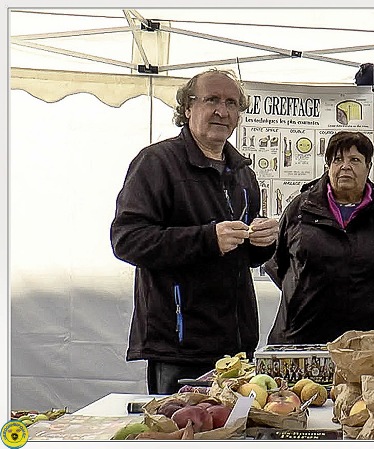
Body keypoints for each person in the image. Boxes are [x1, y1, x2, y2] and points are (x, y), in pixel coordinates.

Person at [111, 69, 279, 394]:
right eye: (212, 100)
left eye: (232, 103)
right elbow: (127, 239)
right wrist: (207, 238)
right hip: (180, 346)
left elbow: (244, 257)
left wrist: (262, 243)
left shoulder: (243, 174)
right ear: (187, 107)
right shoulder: (156, 163)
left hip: (235, 345)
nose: (222, 110)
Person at [265, 131, 374, 345]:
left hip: (366, 341)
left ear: (368, 166)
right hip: (301, 336)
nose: (345, 166)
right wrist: (304, 292)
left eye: (354, 160)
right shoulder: (300, 208)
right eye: (337, 160)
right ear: (328, 166)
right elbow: (276, 264)